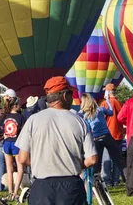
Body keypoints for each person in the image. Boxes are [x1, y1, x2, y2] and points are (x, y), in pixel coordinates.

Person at [16, 76, 97, 205]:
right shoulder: (80, 121)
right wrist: (72, 163)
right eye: (71, 94)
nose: (72, 97)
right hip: (71, 188)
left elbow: (22, 158)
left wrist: (43, 163)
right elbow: (92, 159)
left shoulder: (33, 120)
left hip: (42, 187)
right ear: (65, 96)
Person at [79, 93, 125, 182]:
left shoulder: (85, 116)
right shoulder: (100, 109)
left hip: (96, 139)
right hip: (107, 136)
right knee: (118, 159)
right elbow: (111, 113)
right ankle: (126, 179)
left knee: (97, 162)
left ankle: (97, 183)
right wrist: (107, 101)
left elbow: (86, 128)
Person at [0, 96, 27, 201]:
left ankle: (10, 192)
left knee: (9, 169)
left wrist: (3, 133)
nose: (20, 105)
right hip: (16, 143)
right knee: (20, 169)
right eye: (19, 103)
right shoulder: (21, 117)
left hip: (6, 143)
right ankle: (16, 192)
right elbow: (25, 131)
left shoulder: (4, 116)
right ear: (15, 106)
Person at [99, 83, 125, 186]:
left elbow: (101, 119)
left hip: (107, 134)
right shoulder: (120, 103)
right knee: (117, 158)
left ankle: (107, 181)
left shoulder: (105, 104)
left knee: (106, 158)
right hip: (119, 134)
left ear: (108, 92)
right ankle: (116, 180)